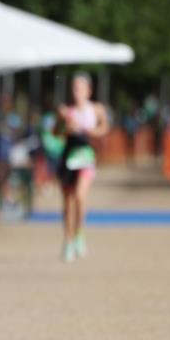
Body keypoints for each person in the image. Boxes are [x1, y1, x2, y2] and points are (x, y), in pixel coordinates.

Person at [56, 72, 109, 263]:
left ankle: (79, 233)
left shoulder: (96, 109)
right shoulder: (67, 111)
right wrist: (63, 122)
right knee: (67, 204)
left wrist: (89, 130)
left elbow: (104, 129)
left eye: (79, 88)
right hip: (68, 157)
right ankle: (68, 241)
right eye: (74, 88)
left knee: (79, 196)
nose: (76, 92)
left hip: (85, 157)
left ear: (89, 90)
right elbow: (56, 133)